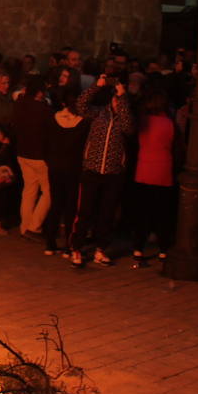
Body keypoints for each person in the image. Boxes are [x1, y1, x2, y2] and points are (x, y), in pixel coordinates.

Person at [68, 74, 133, 267]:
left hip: (113, 173)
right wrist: (97, 86)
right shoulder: (98, 113)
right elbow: (81, 105)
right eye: (115, 98)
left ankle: (101, 249)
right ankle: (76, 248)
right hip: (92, 170)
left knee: (107, 213)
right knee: (84, 211)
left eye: (120, 99)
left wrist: (123, 100)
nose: (116, 102)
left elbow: (130, 128)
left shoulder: (124, 118)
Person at [42, 66, 87, 255]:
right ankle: (69, 243)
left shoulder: (54, 119)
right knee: (70, 207)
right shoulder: (82, 123)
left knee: (56, 203)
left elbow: (46, 143)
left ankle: (50, 242)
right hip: (73, 168)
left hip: (55, 167)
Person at [130, 87, 177, 265]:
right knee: (162, 213)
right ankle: (163, 249)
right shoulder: (169, 124)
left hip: (143, 170)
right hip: (163, 170)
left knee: (142, 213)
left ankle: (138, 250)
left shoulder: (143, 121)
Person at [12, 75, 52, 242]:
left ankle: (24, 226)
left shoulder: (20, 104)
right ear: (40, 92)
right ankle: (34, 226)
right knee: (49, 191)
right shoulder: (43, 110)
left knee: (29, 190)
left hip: (23, 153)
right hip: (39, 155)